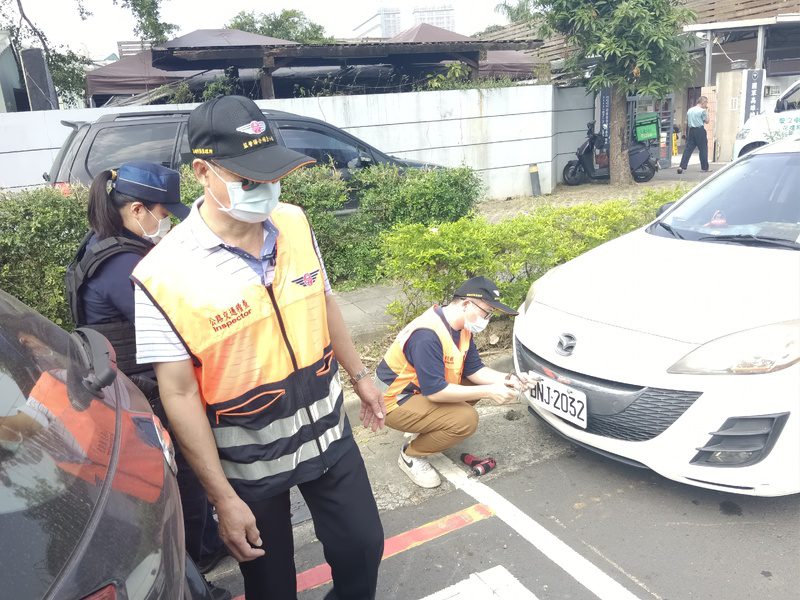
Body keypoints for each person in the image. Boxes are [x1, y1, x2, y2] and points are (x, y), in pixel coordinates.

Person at [131, 95, 385, 600]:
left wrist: (362, 376)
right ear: (203, 172)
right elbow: (178, 394)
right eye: (249, 180)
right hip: (249, 462)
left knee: (363, 546)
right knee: (271, 586)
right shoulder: (161, 275)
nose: (267, 190)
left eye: (272, 175)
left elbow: (324, 302)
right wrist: (222, 497)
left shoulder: (293, 222)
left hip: (326, 430)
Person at [64, 161, 231, 599]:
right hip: (146, 392)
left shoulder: (102, 243)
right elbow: (180, 324)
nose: (167, 221)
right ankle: (195, 568)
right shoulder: (125, 268)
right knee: (187, 483)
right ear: (138, 209)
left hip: (122, 385)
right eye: (163, 212)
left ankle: (204, 547)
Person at [375, 276, 536, 488]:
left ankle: (426, 426)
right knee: (465, 420)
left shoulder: (462, 328)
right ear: (467, 303)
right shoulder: (427, 334)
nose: (487, 319)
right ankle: (411, 455)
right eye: (486, 312)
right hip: (392, 402)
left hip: (420, 392)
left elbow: (475, 370)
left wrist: (509, 379)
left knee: (475, 387)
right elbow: (436, 392)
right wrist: (490, 391)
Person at [678, 96, 710, 174]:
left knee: (688, 149)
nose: (706, 105)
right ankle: (704, 167)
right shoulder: (702, 111)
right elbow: (707, 121)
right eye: (706, 103)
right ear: (703, 102)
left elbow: (685, 122)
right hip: (700, 131)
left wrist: (685, 133)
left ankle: (681, 167)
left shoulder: (690, 110)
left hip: (691, 131)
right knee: (703, 149)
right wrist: (707, 112)